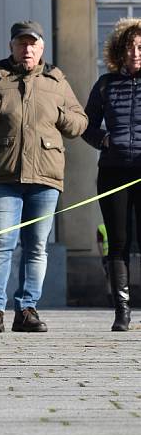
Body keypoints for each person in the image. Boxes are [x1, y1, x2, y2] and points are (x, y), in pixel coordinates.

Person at [0, 20, 87, 334]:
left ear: (41, 48)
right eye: (21, 43)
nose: (27, 49)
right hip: (3, 175)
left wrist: (59, 114)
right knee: (1, 242)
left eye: (33, 44)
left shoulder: (56, 80)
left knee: (36, 246)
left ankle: (27, 309)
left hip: (45, 177)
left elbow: (80, 122)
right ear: (12, 47)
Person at [82, 17, 141, 331]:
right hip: (113, 172)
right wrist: (103, 139)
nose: (135, 53)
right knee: (117, 242)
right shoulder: (105, 84)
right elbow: (85, 126)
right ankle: (122, 312)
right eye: (129, 47)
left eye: (140, 47)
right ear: (119, 50)